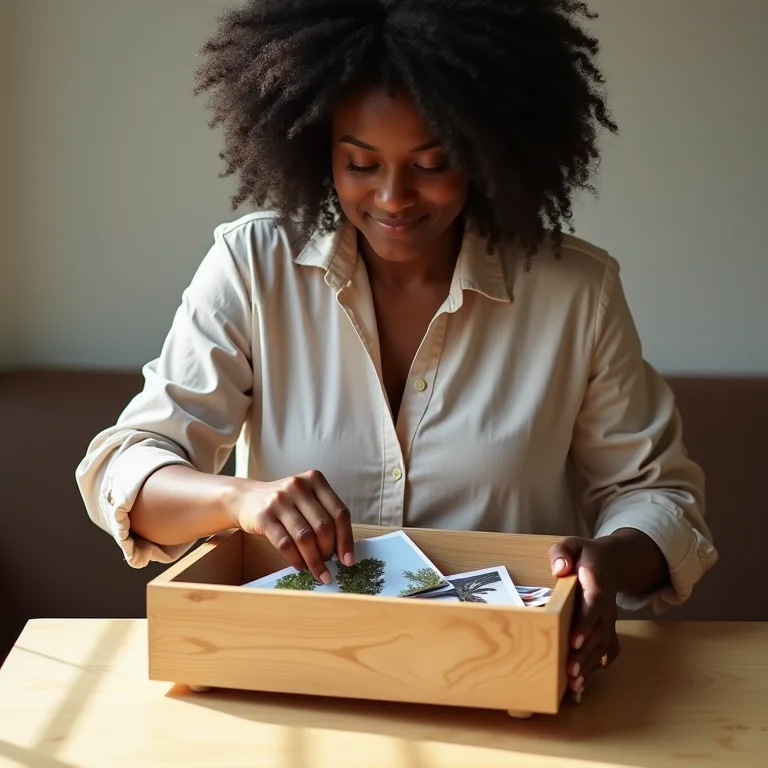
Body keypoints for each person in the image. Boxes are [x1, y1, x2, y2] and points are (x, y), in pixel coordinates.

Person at [76, 0, 717, 698]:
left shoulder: (575, 293)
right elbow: (128, 467)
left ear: (483, 148)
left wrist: (612, 561)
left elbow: (658, 497)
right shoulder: (252, 268)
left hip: (500, 684)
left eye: (432, 163)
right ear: (318, 147)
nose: (393, 197)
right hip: (291, 675)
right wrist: (239, 498)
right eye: (360, 162)